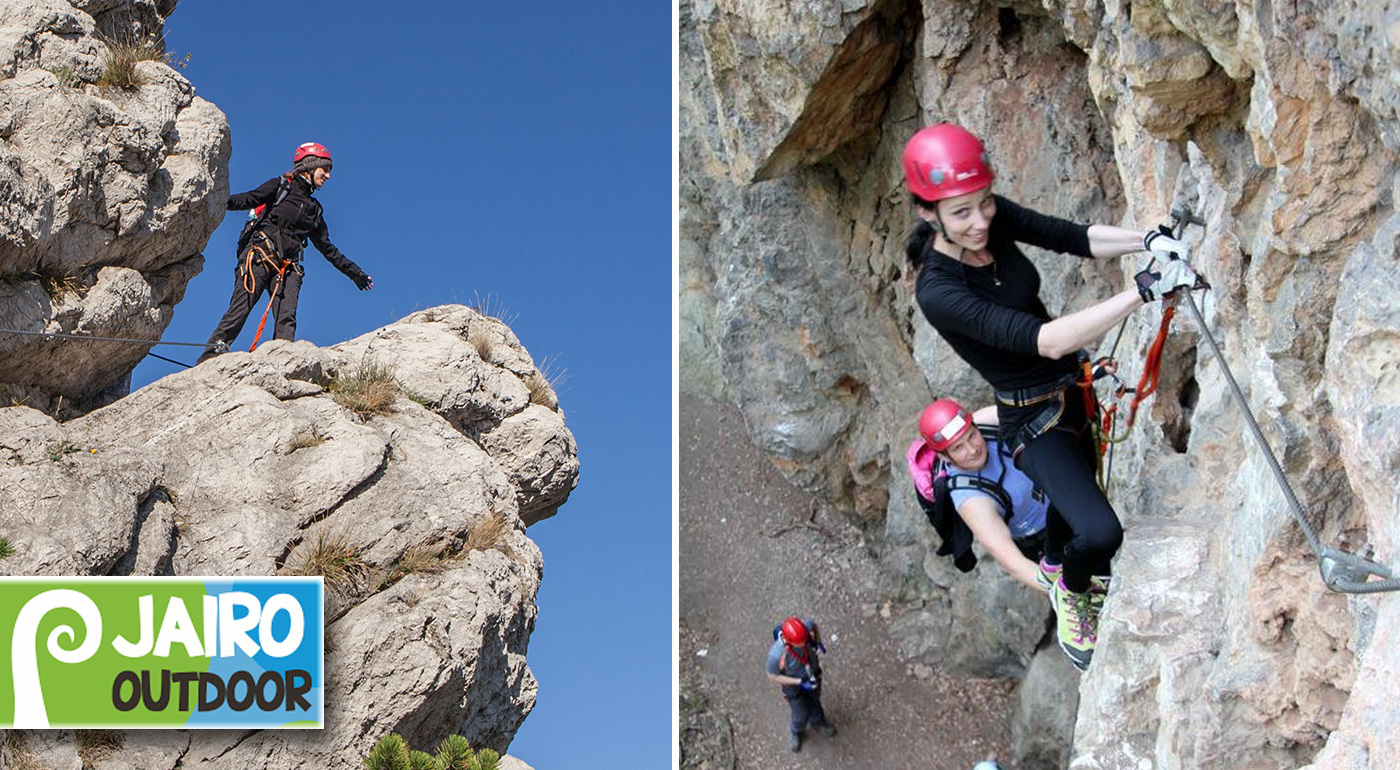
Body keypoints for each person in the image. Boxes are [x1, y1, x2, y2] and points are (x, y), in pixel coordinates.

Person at [901, 123, 1200, 671]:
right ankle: (1070, 589)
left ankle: (1068, 566)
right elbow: (1046, 340)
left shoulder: (988, 223)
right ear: (928, 212)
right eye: (961, 212)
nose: (980, 220)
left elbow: (1071, 236)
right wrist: (1142, 290)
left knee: (1068, 514)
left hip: (1074, 395)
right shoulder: (939, 291)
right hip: (1032, 418)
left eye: (985, 203)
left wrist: (1148, 240)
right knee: (1101, 531)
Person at [198, 142, 373, 364]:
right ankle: (210, 356)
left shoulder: (314, 209)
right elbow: (249, 199)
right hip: (259, 256)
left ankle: (281, 363)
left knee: (286, 318)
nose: (328, 176)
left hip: (287, 268)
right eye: (325, 169)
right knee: (241, 308)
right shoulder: (282, 187)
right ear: (310, 167)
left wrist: (356, 274)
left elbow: (327, 248)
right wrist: (217, 201)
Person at [908, 398, 1062, 592]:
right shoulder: (971, 500)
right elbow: (1014, 564)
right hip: (1044, 540)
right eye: (958, 448)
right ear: (944, 456)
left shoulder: (985, 422)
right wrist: (1064, 594)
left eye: (972, 436)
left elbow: (1038, 408)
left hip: (1065, 498)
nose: (972, 450)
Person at [765, 616, 836, 752]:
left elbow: (814, 626)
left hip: (812, 675)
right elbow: (772, 676)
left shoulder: (806, 627)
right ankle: (796, 730)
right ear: (789, 641)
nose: (804, 644)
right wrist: (799, 682)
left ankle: (818, 721)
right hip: (793, 685)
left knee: (815, 700)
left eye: (805, 640)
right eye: (800, 643)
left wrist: (818, 643)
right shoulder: (776, 655)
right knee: (800, 712)